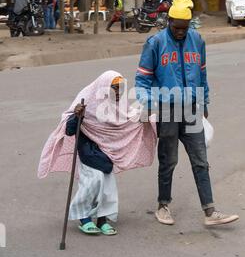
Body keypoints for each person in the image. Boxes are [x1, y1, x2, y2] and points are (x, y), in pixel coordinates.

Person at [135, 0, 239, 227]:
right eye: (177, 27)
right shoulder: (155, 43)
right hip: (167, 110)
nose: (181, 32)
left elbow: (201, 74)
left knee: (200, 160)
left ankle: (210, 212)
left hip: (191, 110)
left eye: (185, 27)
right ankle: (163, 206)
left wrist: (204, 103)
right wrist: (146, 105)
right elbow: (142, 80)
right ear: (169, 21)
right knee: (168, 161)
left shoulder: (197, 40)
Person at [38, 70, 157, 235]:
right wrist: (77, 115)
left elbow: (128, 119)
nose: (118, 92)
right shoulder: (87, 101)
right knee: (92, 183)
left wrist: (149, 118)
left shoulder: (119, 105)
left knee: (108, 186)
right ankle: (84, 218)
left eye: (121, 88)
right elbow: (70, 130)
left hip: (107, 152)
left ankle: (102, 220)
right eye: (114, 88)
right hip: (87, 151)